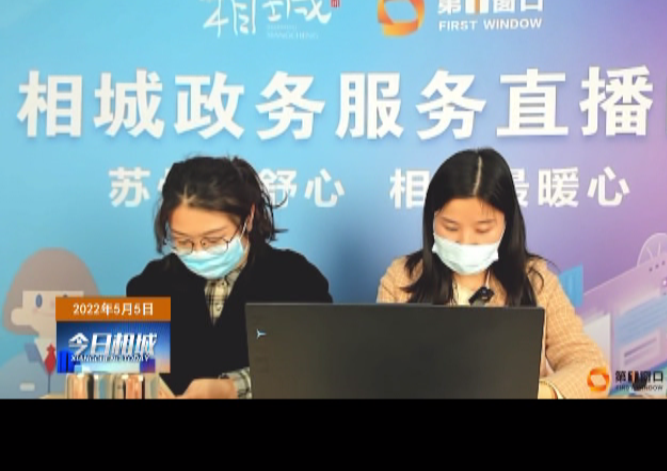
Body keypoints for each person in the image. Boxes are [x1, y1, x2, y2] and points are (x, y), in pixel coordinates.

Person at [377, 148, 609, 399]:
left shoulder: (535, 282)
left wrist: (536, 393)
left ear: (506, 224)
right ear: (431, 220)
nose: (465, 241)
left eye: (482, 229)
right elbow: (379, 374)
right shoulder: (401, 279)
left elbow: (596, 374)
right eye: (450, 227)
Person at [127, 155, 332, 399]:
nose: (199, 251)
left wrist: (232, 388)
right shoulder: (151, 283)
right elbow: (129, 368)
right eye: (183, 241)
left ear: (249, 217)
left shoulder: (296, 279)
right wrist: (133, 380)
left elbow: (318, 368)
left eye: (213, 240)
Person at [0, 248, 100, 398]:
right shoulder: (11, 372)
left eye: (65, 299)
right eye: (38, 301)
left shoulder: (89, 371)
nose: (53, 306)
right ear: (18, 312)